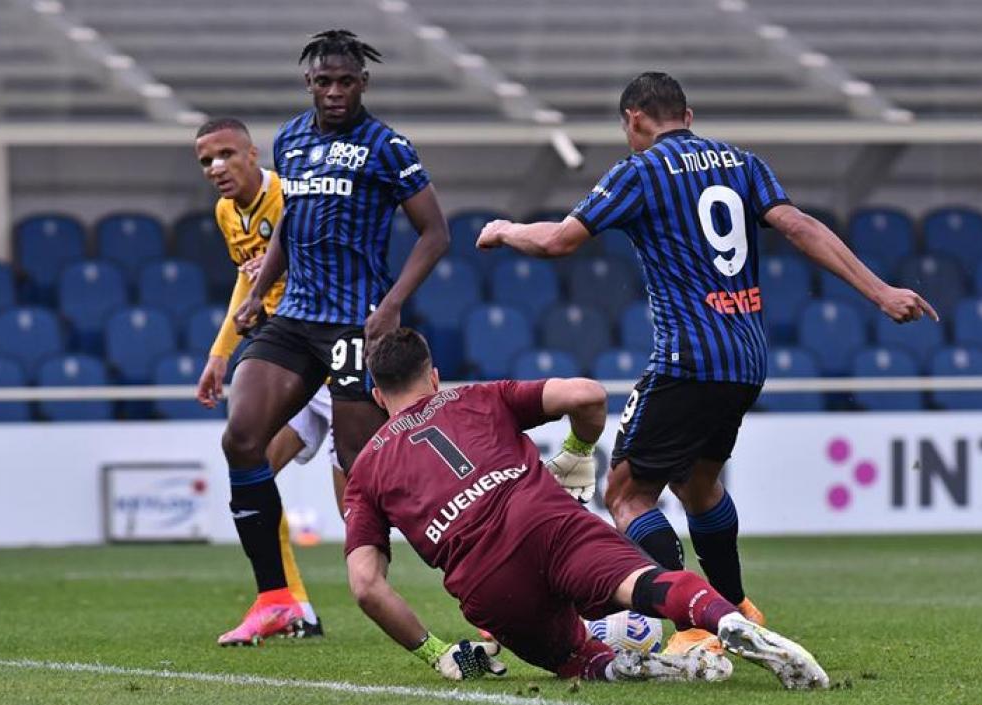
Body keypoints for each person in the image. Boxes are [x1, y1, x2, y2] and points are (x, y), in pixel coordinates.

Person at [476, 72, 936, 654]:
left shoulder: (639, 170)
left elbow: (559, 241)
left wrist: (506, 230)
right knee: (699, 485)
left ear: (634, 120)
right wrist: (880, 291)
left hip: (687, 358)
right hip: (746, 357)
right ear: (688, 116)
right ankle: (737, 607)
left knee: (627, 495)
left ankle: (693, 626)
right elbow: (799, 225)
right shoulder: (743, 163)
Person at [343, 328, 829, 689]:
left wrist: (437, 653)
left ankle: (634, 666)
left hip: (486, 579)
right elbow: (588, 394)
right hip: (544, 519)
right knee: (644, 584)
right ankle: (725, 621)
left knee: (576, 660)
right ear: (433, 376)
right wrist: (576, 452)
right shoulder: (477, 396)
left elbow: (366, 586)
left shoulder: (365, 470)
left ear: (378, 395)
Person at [215, 29, 449, 646]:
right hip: (294, 317)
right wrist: (263, 287)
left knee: (364, 470)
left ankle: (465, 567)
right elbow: (291, 220)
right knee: (241, 438)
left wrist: (392, 306)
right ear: (310, 84)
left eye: (346, 81)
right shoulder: (290, 139)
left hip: (356, 321)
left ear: (363, 83)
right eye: (325, 81)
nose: (336, 91)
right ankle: (275, 598)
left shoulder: (388, 146)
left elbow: (435, 234)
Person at [193, 117, 349, 640]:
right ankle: (291, 605)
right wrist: (220, 354)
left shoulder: (291, 193)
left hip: (330, 358)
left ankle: (485, 606)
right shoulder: (225, 213)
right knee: (253, 465)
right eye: (206, 161)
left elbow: (324, 263)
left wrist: (274, 275)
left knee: (362, 510)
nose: (217, 168)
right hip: (285, 363)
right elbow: (248, 282)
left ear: (253, 153)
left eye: (226, 155)